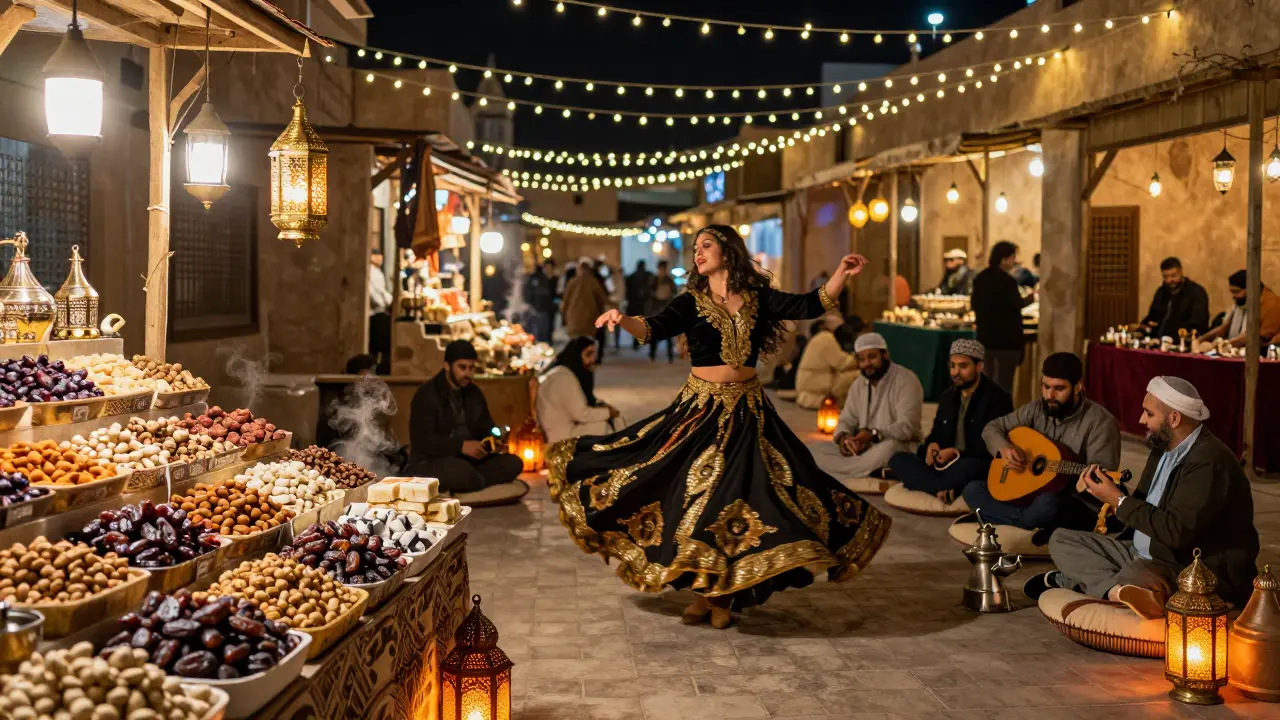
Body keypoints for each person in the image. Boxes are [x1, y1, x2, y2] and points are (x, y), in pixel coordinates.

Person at [552, 225, 889, 630]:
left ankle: (722, 597)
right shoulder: (690, 302)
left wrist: (840, 274)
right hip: (700, 410)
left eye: (706, 245)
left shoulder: (758, 298)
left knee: (752, 498)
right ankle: (706, 594)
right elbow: (654, 327)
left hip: (749, 411)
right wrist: (621, 319)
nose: (698, 252)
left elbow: (807, 305)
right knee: (695, 499)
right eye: (695, 248)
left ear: (728, 250)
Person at [1025, 377, 1259, 616]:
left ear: (1174, 419)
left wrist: (1117, 499)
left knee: (1134, 575)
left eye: (1149, 414)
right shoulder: (1164, 447)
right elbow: (1143, 507)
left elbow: (1174, 532)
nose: (1141, 420)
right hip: (1143, 552)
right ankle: (1113, 590)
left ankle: (1088, 584)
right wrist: (1108, 490)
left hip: (1189, 566)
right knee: (1061, 539)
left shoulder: (1208, 462)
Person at [961, 352, 1121, 530]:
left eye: (1059, 389)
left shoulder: (1101, 422)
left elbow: (1101, 483)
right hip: (1029, 495)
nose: (1049, 395)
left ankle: (1001, 518)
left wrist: (1083, 481)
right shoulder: (1036, 408)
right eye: (1045, 387)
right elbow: (992, 428)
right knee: (972, 490)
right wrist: (1004, 448)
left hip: (1070, 501)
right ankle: (1025, 522)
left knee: (1049, 503)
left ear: (1078, 387)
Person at [887, 339, 1013, 502]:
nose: (955, 372)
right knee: (897, 459)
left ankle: (933, 486)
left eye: (963, 366)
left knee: (972, 467)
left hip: (972, 464)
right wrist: (932, 446)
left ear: (979, 366)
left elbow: (995, 448)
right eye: (952, 366)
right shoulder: (948, 397)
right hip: (944, 466)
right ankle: (942, 489)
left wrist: (956, 454)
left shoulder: (997, 398)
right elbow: (936, 434)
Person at [405, 340, 524, 493]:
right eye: (462, 367)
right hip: (434, 460)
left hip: (470, 460)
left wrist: (494, 440)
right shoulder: (427, 394)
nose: (468, 374)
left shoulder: (474, 393)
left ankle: (474, 482)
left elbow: (486, 427)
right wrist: (461, 446)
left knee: (514, 463)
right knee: (461, 472)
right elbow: (422, 440)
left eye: (471, 368)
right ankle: (475, 481)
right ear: (447, 366)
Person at [811, 333, 924, 481]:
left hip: (896, 445)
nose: (867, 363)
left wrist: (874, 434)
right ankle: (868, 471)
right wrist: (845, 440)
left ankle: (848, 472)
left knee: (888, 448)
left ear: (885, 355)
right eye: (862, 359)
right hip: (863, 448)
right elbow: (847, 418)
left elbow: (908, 428)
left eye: (872, 357)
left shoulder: (907, 380)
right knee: (813, 450)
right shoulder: (859, 384)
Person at [537, 336, 621, 444]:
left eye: (595, 354)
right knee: (605, 425)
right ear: (576, 355)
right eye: (588, 354)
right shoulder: (563, 378)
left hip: (564, 428)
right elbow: (582, 414)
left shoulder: (564, 372)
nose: (593, 359)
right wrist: (608, 412)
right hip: (560, 437)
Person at [971, 241, 1030, 391]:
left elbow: (974, 305)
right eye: (1012, 257)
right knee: (1004, 386)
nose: (1014, 261)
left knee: (985, 385)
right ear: (1003, 259)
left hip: (985, 339)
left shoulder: (980, 279)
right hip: (1007, 342)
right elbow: (1016, 309)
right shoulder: (1008, 282)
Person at [1195, 269, 1280, 349]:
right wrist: (1199, 340)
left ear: (1251, 289)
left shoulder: (1271, 303)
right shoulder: (1242, 302)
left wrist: (1218, 347)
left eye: (1236, 292)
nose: (1234, 296)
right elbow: (1224, 328)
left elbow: (1255, 338)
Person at [794, 313, 859, 409]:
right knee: (856, 376)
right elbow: (842, 363)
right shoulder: (827, 338)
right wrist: (857, 358)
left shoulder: (820, 337)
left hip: (810, 381)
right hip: (817, 382)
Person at [1140, 257, 1209, 339]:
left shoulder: (1196, 292)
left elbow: (1198, 324)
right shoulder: (1161, 292)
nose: (1169, 280)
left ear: (1181, 272)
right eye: (1165, 277)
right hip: (1158, 342)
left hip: (1184, 343)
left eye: (1173, 276)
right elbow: (1152, 316)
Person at [560, 259, 608, 345]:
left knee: (575, 345)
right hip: (590, 322)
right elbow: (602, 300)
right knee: (587, 346)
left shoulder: (572, 282)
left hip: (573, 321)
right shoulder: (593, 282)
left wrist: (564, 318)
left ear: (579, 270)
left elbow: (565, 302)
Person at [368, 248, 393, 375]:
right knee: (378, 347)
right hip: (374, 315)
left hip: (380, 312)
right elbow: (372, 294)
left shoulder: (377, 272)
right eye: (377, 256)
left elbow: (382, 292)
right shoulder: (370, 272)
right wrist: (386, 303)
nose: (380, 259)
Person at [648, 260, 678, 362]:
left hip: (666, 309)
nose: (662, 271)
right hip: (656, 310)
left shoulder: (669, 280)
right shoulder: (654, 280)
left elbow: (674, 292)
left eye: (664, 269)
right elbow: (649, 293)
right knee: (655, 333)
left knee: (668, 334)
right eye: (661, 269)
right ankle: (652, 354)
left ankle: (670, 356)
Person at [523, 264, 556, 343]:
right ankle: (544, 345)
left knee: (536, 330)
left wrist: (530, 303)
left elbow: (527, 294)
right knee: (544, 330)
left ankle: (538, 344)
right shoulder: (545, 279)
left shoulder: (532, 279)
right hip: (544, 308)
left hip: (535, 308)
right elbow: (551, 294)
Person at [625, 261, 654, 349]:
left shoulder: (631, 277)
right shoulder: (648, 275)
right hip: (644, 304)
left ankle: (636, 341)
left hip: (633, 303)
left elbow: (627, 291)